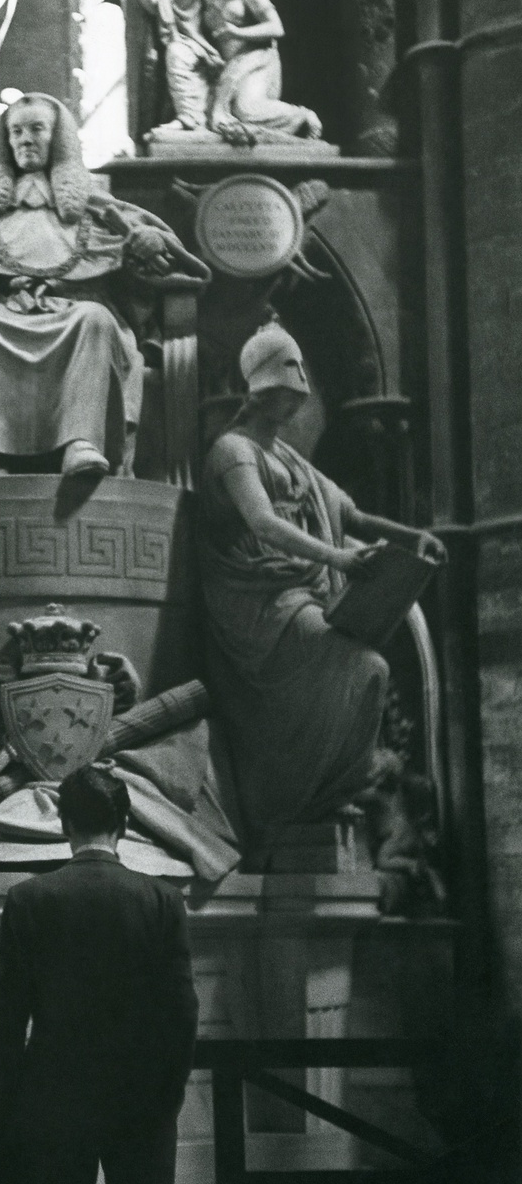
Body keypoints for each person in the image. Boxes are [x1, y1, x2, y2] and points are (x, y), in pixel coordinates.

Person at [198, 321, 446, 841]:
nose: (296, 403)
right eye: (286, 393)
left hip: (303, 594)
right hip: (259, 606)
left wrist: (414, 536)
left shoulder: (289, 456)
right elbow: (264, 523)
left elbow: (352, 514)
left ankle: (328, 791)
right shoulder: (232, 451)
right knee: (364, 667)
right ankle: (294, 798)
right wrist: (338, 558)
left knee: (371, 671)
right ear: (260, 390)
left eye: (299, 395)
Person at [0, 764, 199, 1184]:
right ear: (125, 823)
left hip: (54, 1108)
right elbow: (182, 1015)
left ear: (63, 823)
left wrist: (6, 1120)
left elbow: (9, 1028)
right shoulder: (162, 901)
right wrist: (166, 1101)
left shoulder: (28, 900)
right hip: (142, 1109)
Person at [0, 91, 210, 476]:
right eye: (16, 132)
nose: (25, 139)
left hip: (73, 309)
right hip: (1, 310)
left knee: (95, 320)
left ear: (57, 137)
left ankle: (82, 444)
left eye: (37, 129)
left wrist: (147, 246)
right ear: (6, 142)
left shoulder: (98, 209)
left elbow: (143, 276)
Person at [118, 0, 323, 145]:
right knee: (179, 50)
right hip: (224, 65)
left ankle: (302, 117)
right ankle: (190, 119)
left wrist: (236, 32)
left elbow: (276, 28)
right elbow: (162, 5)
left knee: (246, 110)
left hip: (256, 62)